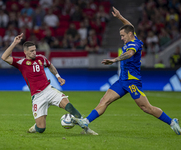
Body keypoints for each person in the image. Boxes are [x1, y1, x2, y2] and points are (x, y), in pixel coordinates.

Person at [72, 7, 181, 135]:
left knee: (146, 108)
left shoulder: (135, 44)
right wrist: (119, 17)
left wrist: (114, 60)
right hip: (122, 81)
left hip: (132, 82)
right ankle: (86, 121)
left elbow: (129, 54)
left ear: (130, 35)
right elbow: (130, 26)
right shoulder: (131, 34)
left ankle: (172, 122)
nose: (122, 38)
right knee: (104, 101)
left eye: (123, 36)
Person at [1, 33, 98, 135]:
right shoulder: (21, 63)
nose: (34, 52)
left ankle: (86, 129)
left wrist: (58, 76)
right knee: (41, 129)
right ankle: (34, 127)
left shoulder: (41, 58)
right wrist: (14, 43)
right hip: (37, 96)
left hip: (48, 90)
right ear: (25, 52)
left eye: (35, 50)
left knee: (67, 104)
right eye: (31, 51)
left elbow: (50, 65)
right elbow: (4, 57)